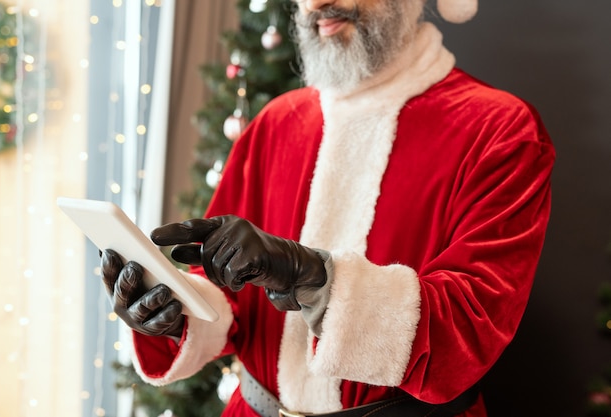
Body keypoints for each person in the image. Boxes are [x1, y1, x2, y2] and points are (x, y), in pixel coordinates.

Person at [99, 0, 555, 416]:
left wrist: (315, 278)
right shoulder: (276, 123)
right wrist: (172, 313)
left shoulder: (501, 131)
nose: (315, 4)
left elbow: (469, 332)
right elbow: (225, 298)